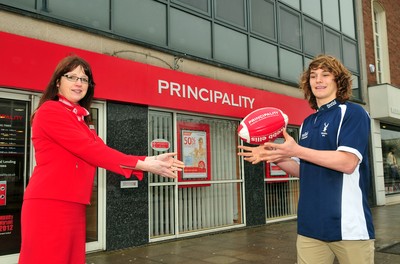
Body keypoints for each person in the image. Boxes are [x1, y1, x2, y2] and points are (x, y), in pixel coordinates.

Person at [18, 55, 184, 264]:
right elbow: (90, 151)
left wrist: (149, 159)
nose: (79, 83)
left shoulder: (79, 119)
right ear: (58, 81)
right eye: (72, 77)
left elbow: (101, 150)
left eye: (84, 79)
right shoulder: (50, 111)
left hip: (73, 203)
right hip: (50, 203)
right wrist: (146, 165)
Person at [238, 55, 375, 264]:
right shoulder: (307, 123)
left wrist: (297, 150)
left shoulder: (353, 112)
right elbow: (303, 170)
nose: (318, 80)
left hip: (349, 227)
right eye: (313, 76)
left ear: (338, 81)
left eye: (325, 75)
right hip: (310, 227)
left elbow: (347, 163)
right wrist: (275, 155)